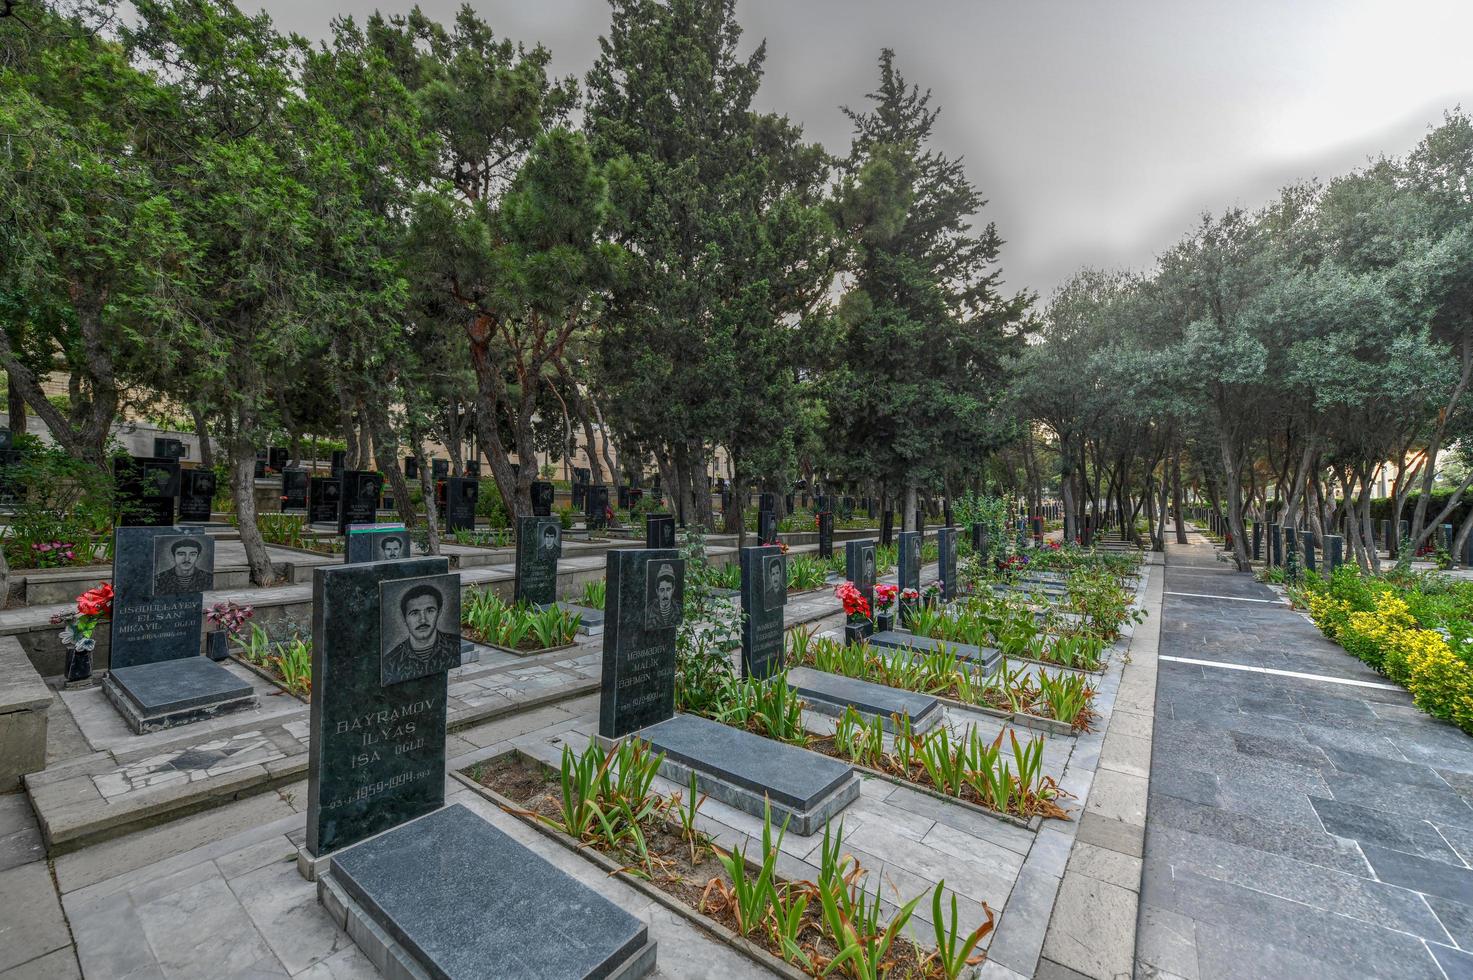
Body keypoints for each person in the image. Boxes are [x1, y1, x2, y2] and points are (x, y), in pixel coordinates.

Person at [383, 583, 460, 683]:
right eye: (414, 613)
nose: (423, 620)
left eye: (430, 610)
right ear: (404, 618)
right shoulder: (391, 662)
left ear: (439, 612)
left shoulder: (456, 646)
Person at [645, 562, 681, 629]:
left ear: (673, 589)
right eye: (662, 590)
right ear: (657, 591)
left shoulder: (679, 609)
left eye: (668, 589)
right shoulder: (648, 611)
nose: (665, 595)